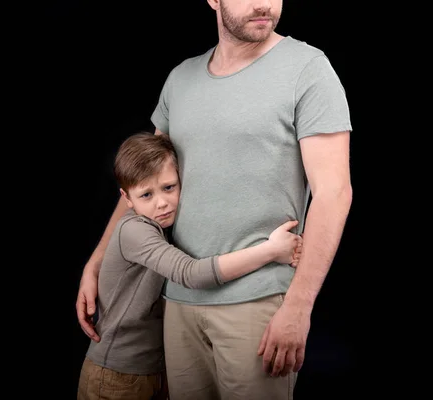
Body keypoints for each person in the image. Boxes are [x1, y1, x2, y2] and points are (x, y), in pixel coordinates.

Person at [77, 0, 353, 399]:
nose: (263, 4)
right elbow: (143, 183)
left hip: (257, 303)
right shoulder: (181, 79)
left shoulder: (307, 68)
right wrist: (98, 260)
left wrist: (298, 307)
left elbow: (334, 193)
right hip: (179, 302)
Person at [77, 132, 303, 400]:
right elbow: (191, 273)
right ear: (127, 198)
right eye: (146, 194)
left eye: (169, 187)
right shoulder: (134, 230)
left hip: (151, 371)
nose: (161, 202)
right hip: (116, 375)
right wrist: (270, 251)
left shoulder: (160, 226)